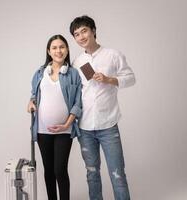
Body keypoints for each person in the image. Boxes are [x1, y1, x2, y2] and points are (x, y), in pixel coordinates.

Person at [69, 15, 136, 200]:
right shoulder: (76, 62)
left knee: (118, 175)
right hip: (85, 128)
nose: (81, 36)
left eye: (84, 31)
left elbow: (131, 78)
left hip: (108, 125)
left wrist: (109, 79)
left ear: (93, 31)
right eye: (76, 34)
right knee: (92, 175)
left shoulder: (113, 54)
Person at [27, 34, 82, 200]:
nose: (59, 50)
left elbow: (78, 104)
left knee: (60, 170)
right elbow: (33, 95)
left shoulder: (73, 74)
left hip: (64, 131)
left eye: (62, 47)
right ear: (48, 51)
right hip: (43, 131)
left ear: (67, 50)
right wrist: (30, 102)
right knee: (48, 170)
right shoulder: (39, 73)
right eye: (55, 47)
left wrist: (67, 125)